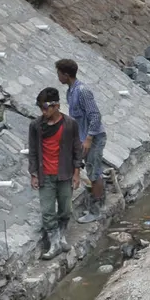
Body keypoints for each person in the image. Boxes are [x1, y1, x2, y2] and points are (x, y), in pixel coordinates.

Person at [28, 87, 83, 259]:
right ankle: (54, 243)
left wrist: (76, 173)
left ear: (56, 106)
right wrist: (34, 173)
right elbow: (33, 151)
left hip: (65, 173)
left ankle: (61, 236)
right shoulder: (36, 126)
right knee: (47, 210)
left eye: (46, 108)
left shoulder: (69, 124)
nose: (43, 112)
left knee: (66, 208)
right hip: (45, 174)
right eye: (41, 109)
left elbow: (76, 149)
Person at [56, 58, 107, 224]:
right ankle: (98, 201)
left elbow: (95, 116)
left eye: (59, 73)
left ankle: (96, 210)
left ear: (66, 74)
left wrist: (89, 138)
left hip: (93, 137)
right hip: (83, 137)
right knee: (93, 170)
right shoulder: (70, 91)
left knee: (94, 171)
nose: (58, 76)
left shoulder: (83, 91)